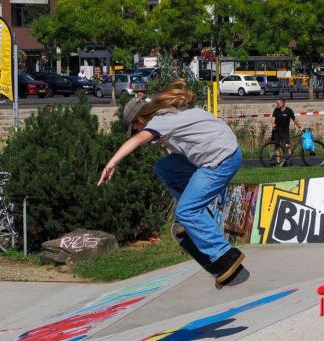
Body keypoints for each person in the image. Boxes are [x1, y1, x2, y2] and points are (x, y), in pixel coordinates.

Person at [98, 79, 247, 288]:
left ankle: (225, 256)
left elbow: (137, 140)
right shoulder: (172, 113)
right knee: (165, 167)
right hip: (224, 151)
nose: (137, 132)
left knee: (186, 211)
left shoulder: (159, 122)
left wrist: (112, 162)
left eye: (136, 127)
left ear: (140, 119)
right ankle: (199, 218)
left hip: (221, 160)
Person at [272, 98, 302, 162]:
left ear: (283, 103)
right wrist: (273, 124)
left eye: (278, 103)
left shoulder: (289, 111)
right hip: (276, 131)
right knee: (277, 147)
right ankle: (278, 162)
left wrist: (299, 127)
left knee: (287, 145)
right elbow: (273, 118)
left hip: (285, 131)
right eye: (276, 103)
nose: (276, 104)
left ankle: (290, 161)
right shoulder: (276, 110)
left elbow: (294, 119)